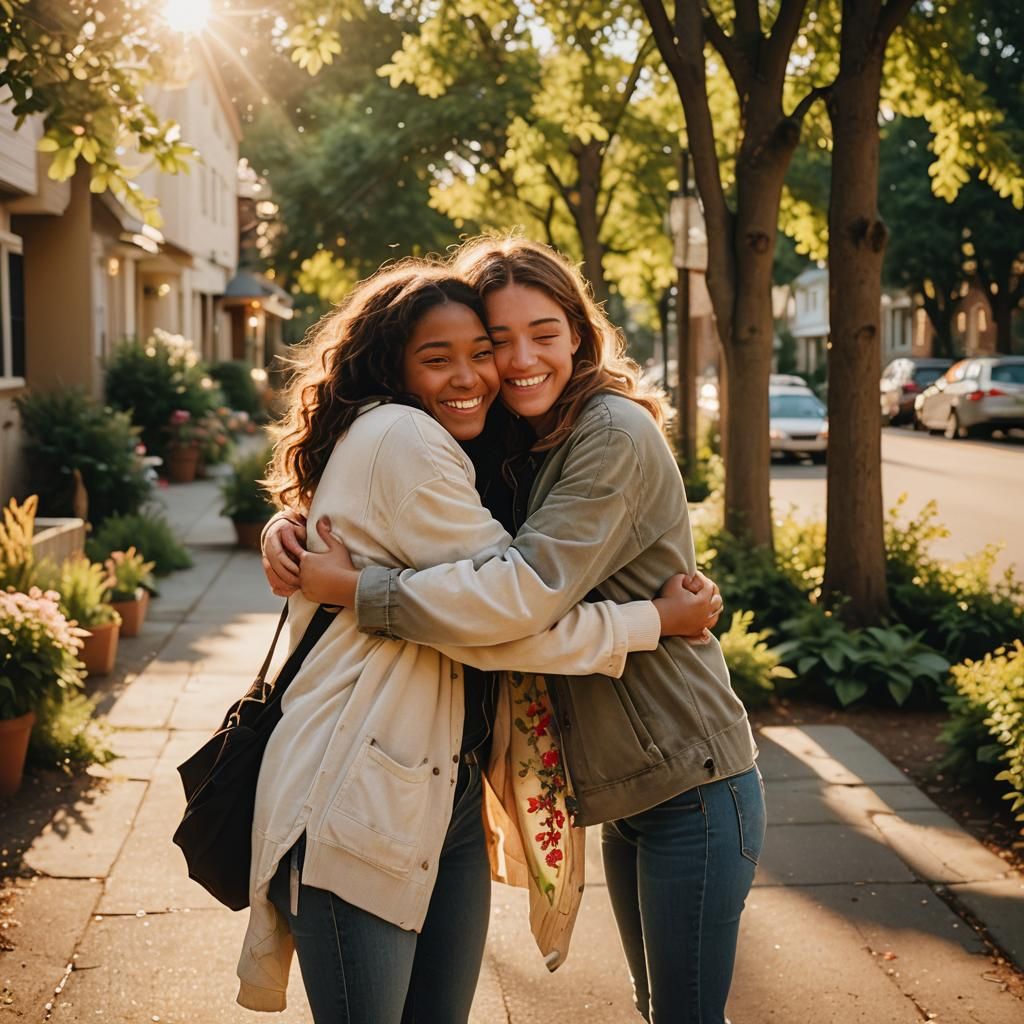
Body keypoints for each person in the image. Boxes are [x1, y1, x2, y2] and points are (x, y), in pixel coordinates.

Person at [262, 236, 764, 1024]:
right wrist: (294, 525)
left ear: (580, 335)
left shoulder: (607, 433)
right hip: (630, 781)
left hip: (688, 771)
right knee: (657, 1006)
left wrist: (360, 590)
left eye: (543, 334)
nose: (516, 360)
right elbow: (419, 528)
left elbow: (518, 597)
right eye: (499, 340)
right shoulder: (514, 437)